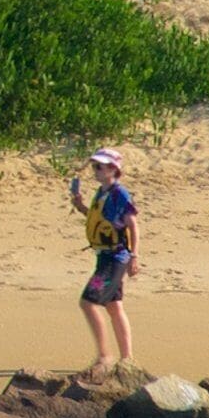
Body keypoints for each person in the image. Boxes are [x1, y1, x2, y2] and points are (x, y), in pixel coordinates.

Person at [72, 147, 137, 369]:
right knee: (114, 306)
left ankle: (104, 356)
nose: (95, 170)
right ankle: (127, 359)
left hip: (114, 260)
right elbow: (97, 219)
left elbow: (132, 225)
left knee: (88, 302)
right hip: (105, 258)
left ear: (112, 169)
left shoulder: (120, 194)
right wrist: (79, 205)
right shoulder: (102, 193)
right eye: (94, 166)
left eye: (99, 166)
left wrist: (134, 256)